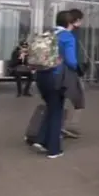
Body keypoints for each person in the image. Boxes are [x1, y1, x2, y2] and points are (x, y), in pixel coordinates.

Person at [33, 10, 81, 159]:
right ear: (73, 22)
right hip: (57, 78)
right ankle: (54, 149)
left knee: (51, 107)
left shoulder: (48, 33)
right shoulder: (67, 37)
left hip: (41, 76)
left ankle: (41, 140)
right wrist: (79, 69)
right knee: (57, 112)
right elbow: (72, 61)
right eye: (79, 20)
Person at [62, 8, 86, 138]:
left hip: (60, 72)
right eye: (80, 20)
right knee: (78, 99)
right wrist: (78, 68)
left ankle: (66, 125)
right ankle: (68, 126)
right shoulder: (71, 35)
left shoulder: (58, 33)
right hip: (70, 72)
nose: (81, 23)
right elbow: (72, 58)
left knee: (66, 99)